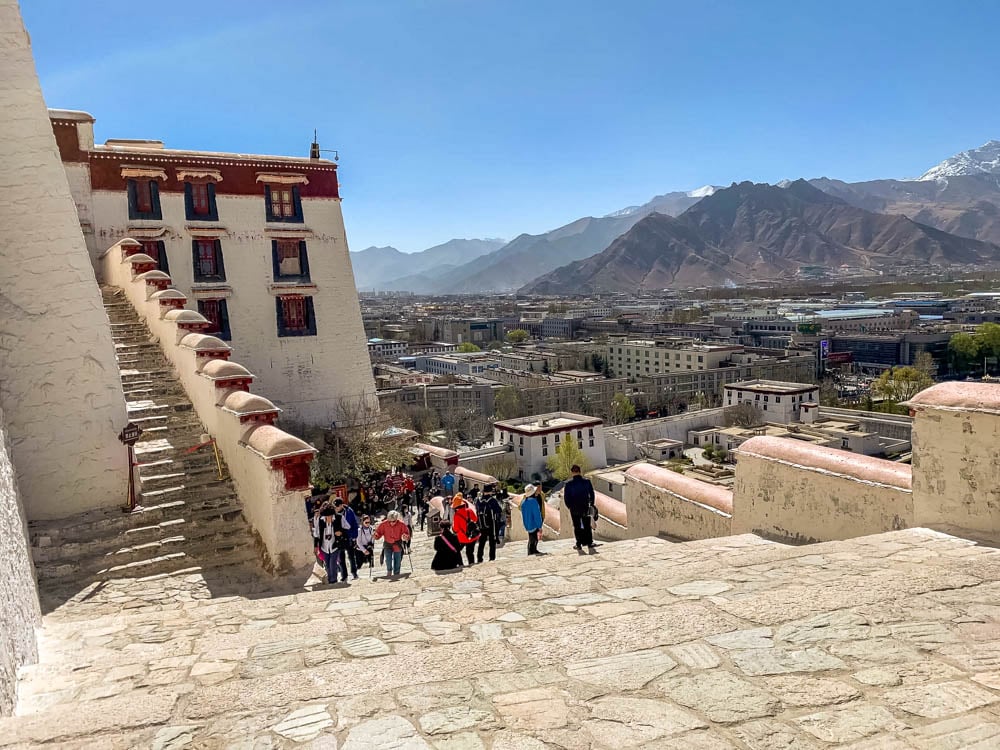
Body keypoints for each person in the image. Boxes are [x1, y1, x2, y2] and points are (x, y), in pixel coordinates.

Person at [563, 464, 597, 551]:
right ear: (580, 471)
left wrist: (569, 506)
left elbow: (566, 498)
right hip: (585, 506)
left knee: (577, 526)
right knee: (586, 525)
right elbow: (592, 494)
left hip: (574, 508)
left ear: (572, 472)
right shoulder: (586, 481)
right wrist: (592, 504)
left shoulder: (568, 484)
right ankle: (589, 542)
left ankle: (578, 544)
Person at [318, 504, 349, 583]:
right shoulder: (321, 521)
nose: (328, 518)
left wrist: (341, 532)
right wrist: (316, 546)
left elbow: (348, 528)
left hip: (335, 545)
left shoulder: (339, 518)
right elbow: (317, 534)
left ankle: (333, 580)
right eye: (326, 517)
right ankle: (329, 579)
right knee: (327, 564)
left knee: (333, 563)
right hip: (324, 546)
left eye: (330, 516)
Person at [374, 510, 410, 577]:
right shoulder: (383, 524)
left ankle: (396, 574)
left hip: (397, 543)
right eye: (390, 521)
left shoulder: (401, 524)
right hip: (387, 544)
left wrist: (406, 537)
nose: (391, 523)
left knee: (397, 559)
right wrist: (375, 536)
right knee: (388, 559)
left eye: (393, 521)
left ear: (396, 519)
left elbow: (406, 533)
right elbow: (378, 533)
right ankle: (389, 572)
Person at [451, 493, 481, 565]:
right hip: (472, 536)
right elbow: (476, 519)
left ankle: (460, 564)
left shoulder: (457, 515)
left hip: (463, 537)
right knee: (470, 552)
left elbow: (455, 529)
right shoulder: (469, 510)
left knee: (456, 550)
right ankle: (472, 563)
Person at [475, 489, 503, 563]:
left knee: (481, 543)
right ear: (490, 492)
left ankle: (479, 558)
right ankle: (492, 558)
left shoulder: (478, 500)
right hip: (491, 524)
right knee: (492, 542)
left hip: (481, 525)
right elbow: (499, 510)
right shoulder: (492, 500)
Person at [338, 497, 361, 578]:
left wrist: (354, 535)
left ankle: (354, 572)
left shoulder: (349, 511)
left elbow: (354, 523)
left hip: (349, 536)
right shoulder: (334, 513)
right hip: (339, 538)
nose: (337, 508)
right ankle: (344, 575)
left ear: (341, 505)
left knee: (351, 556)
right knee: (341, 558)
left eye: (338, 506)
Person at [520, 484, 546, 556]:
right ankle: (532, 552)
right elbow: (537, 515)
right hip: (534, 524)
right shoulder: (534, 502)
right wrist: (539, 525)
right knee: (534, 539)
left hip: (527, 524)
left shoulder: (523, 502)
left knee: (531, 538)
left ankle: (532, 551)